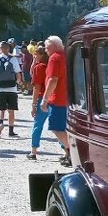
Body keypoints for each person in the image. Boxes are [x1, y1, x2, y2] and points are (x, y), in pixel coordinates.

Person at [38, 36, 72, 166]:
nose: (46, 50)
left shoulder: (54, 58)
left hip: (58, 99)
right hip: (68, 98)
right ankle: (68, 153)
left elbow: (52, 80)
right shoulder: (66, 56)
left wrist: (45, 99)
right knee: (66, 128)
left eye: (47, 47)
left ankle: (71, 151)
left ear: (53, 47)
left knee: (56, 127)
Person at [0, 39, 22, 137]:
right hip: (11, 88)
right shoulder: (13, 59)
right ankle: (11, 131)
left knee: (1, 109)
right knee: (11, 110)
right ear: (9, 48)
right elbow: (18, 74)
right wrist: (18, 82)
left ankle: (0, 124)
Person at [27, 45, 49, 160]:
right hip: (54, 98)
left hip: (42, 98)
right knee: (58, 126)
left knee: (37, 125)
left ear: (40, 55)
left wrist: (33, 104)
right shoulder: (51, 65)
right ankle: (66, 150)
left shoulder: (38, 67)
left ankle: (33, 151)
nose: (34, 57)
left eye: (35, 54)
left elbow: (36, 87)